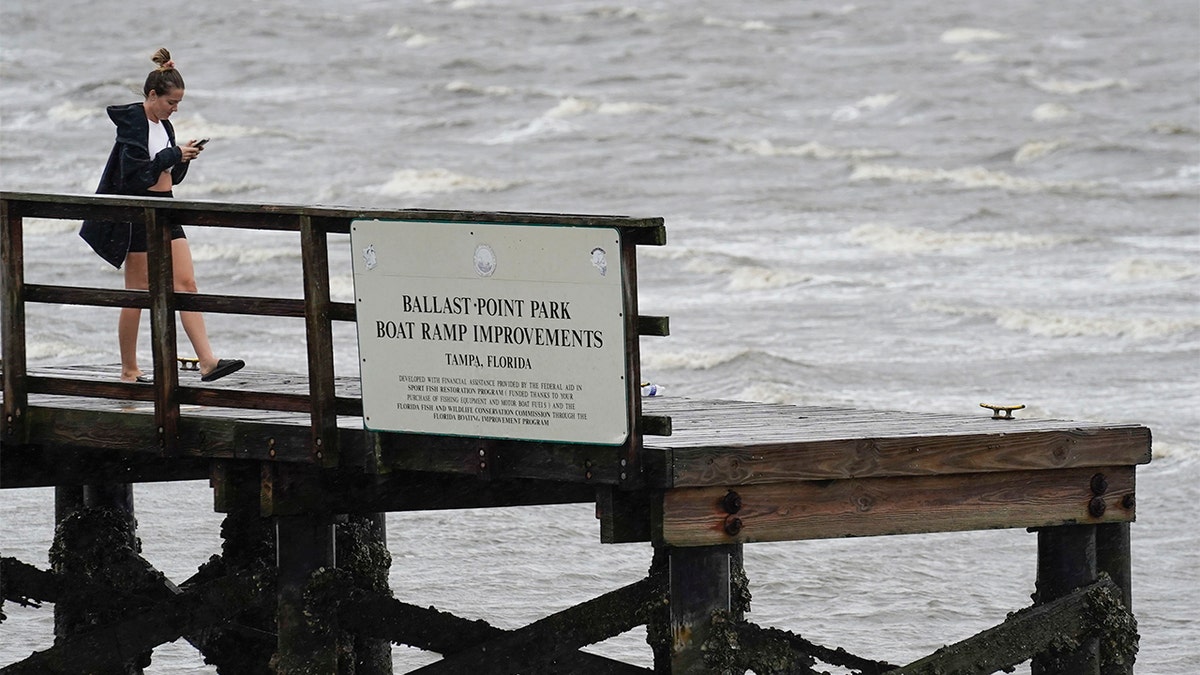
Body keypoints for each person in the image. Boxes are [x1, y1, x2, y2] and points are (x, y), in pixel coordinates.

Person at [80, 48, 243, 383]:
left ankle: (208, 361)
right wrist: (172, 153)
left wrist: (182, 159)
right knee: (137, 292)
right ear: (152, 95)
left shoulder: (165, 127)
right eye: (171, 102)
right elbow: (135, 175)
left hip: (166, 208)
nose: (175, 109)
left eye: (178, 104)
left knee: (187, 283)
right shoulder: (133, 126)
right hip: (138, 213)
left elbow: (166, 174)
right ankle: (129, 369)